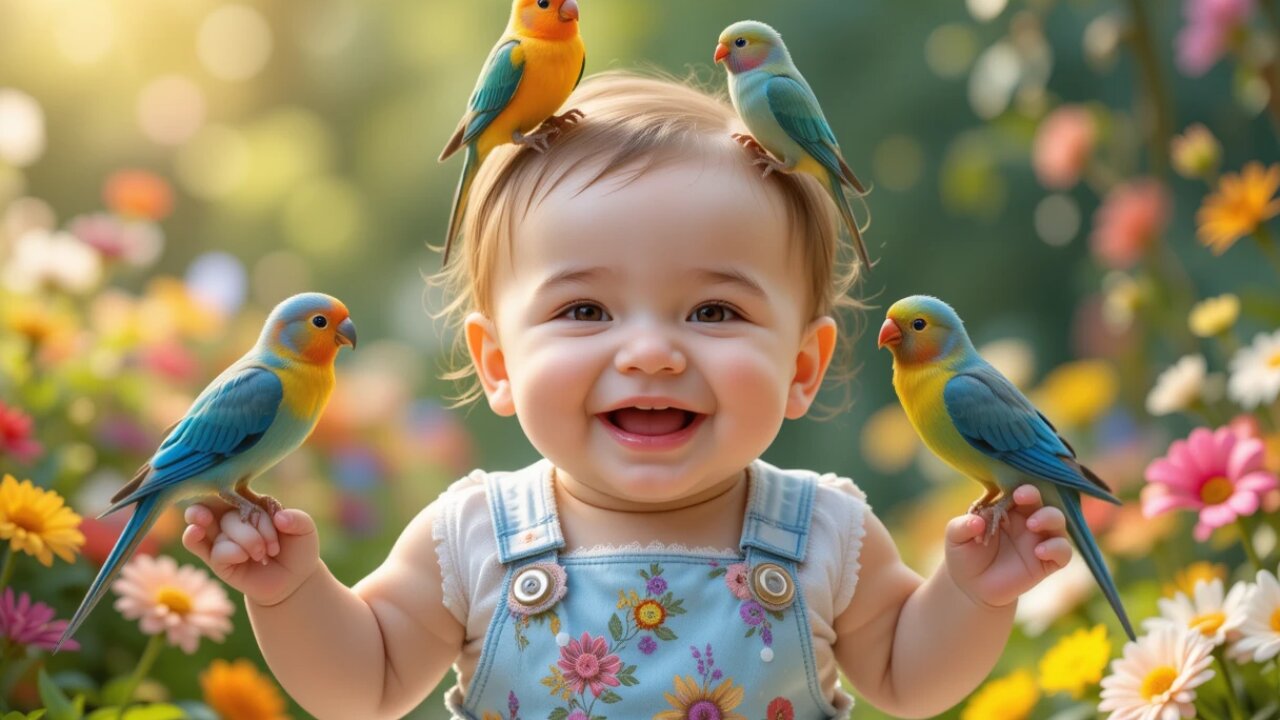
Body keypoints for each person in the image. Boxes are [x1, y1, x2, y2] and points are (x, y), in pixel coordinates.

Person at [181, 72, 1073, 720]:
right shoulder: (473, 538)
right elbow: (364, 685)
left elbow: (909, 681)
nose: (649, 353)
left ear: (803, 368)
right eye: (585, 309)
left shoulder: (825, 536)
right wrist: (292, 594)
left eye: (714, 309)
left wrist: (973, 596)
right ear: (497, 364)